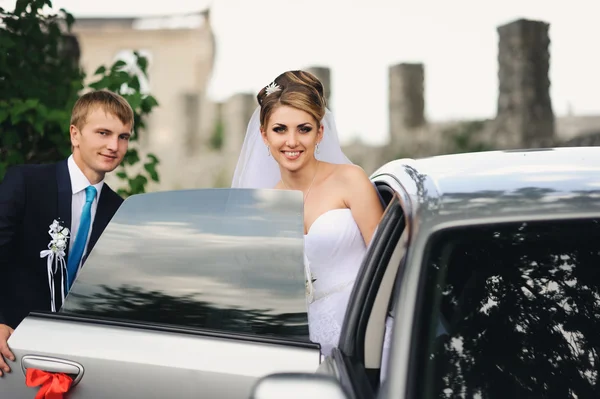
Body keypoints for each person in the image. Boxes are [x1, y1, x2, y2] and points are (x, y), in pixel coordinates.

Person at [232, 70, 385, 356]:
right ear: (264, 135)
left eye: (304, 128)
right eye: (280, 129)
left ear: (320, 132)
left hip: (366, 331)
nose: (292, 141)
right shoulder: (262, 208)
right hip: (303, 345)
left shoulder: (350, 180)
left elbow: (389, 267)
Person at [0, 89, 133, 376]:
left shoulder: (120, 210)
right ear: (75, 134)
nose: (114, 145)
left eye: (123, 137)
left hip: (78, 359)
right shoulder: (25, 183)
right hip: (11, 347)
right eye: (103, 133)